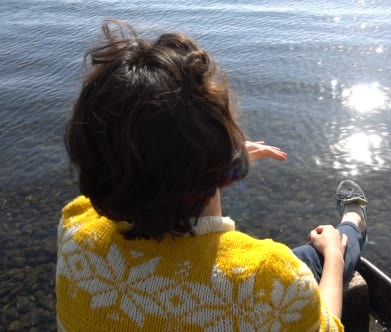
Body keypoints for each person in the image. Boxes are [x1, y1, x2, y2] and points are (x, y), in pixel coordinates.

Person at [56, 20, 368, 332]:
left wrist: (221, 163)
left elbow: (148, 176)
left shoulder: (76, 225)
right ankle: (353, 222)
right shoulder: (266, 277)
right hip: (273, 289)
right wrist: (334, 256)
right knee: (327, 250)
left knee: (304, 259)